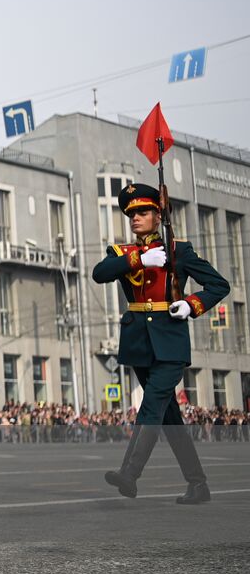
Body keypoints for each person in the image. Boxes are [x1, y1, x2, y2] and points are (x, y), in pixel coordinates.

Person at [94, 182, 229, 502]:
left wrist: (191, 304)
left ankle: (130, 473)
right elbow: (100, 273)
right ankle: (198, 484)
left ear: (159, 215)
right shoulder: (124, 253)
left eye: (143, 212)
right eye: (131, 214)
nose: (136, 218)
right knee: (170, 419)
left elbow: (218, 285)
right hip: (139, 342)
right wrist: (141, 259)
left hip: (170, 339)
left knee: (152, 406)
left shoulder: (179, 250)